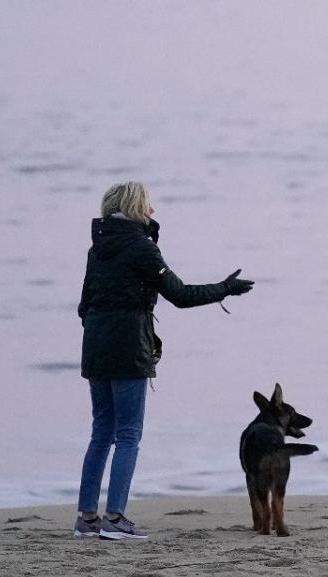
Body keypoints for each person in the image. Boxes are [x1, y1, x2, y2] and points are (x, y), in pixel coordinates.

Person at [73, 182, 254, 540]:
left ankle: (87, 518)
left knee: (101, 432)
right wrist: (225, 289)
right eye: (148, 205)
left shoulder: (98, 249)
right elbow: (180, 295)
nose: (153, 211)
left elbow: (84, 304)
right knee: (128, 434)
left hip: (95, 346)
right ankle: (116, 518)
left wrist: (103, 330)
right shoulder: (141, 248)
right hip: (127, 350)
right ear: (135, 207)